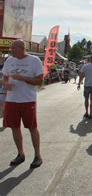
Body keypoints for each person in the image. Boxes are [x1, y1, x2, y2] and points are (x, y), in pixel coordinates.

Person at [2, 40, 44, 168]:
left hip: (27, 100)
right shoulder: (9, 61)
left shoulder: (34, 60)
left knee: (32, 128)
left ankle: (37, 156)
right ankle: (21, 154)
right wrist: (5, 84)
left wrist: (23, 78)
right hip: (11, 100)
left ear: (22, 48)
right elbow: (4, 78)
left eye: (14, 48)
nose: (11, 51)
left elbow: (40, 81)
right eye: (11, 49)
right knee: (14, 127)